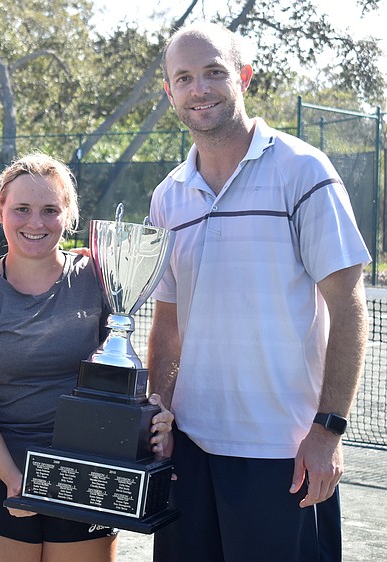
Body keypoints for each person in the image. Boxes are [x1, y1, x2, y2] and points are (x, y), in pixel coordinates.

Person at [147, 23, 371, 562]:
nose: (200, 89)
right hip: (190, 451)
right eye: (184, 78)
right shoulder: (167, 197)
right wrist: (160, 412)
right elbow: (168, 326)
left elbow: (349, 309)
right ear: (169, 92)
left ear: (244, 76)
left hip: (285, 455)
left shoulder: (305, 171)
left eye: (214, 72)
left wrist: (327, 431)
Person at [0, 152, 174, 562]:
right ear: (0, 211)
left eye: (50, 210)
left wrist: (149, 415)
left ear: (69, 215)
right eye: (22, 209)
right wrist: (17, 481)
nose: (36, 223)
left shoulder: (100, 278)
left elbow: (121, 381)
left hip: (88, 474)